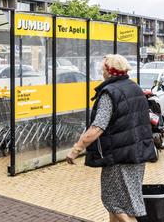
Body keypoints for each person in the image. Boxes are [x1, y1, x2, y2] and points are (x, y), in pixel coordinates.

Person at [66, 54, 156, 222]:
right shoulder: (134, 88)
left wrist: (76, 149)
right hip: (137, 155)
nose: (101, 72)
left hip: (118, 159)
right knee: (126, 204)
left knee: (115, 204)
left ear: (109, 71)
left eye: (103, 69)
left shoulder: (110, 93)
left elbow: (97, 127)